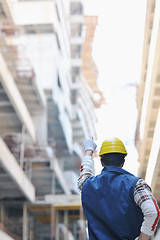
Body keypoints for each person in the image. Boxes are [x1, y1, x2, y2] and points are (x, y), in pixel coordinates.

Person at [78, 137, 160, 240]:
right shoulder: (136, 185)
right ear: (123, 162)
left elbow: (84, 173)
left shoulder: (88, 185)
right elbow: (153, 211)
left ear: (102, 161)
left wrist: (88, 151)